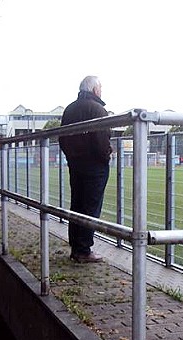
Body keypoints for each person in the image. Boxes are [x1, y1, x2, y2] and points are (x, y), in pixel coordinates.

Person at [59, 76, 113, 263]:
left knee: (77, 205)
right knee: (91, 207)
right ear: (95, 90)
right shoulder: (98, 109)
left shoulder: (70, 109)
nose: (102, 91)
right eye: (101, 87)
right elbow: (101, 140)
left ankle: (76, 247)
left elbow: (62, 138)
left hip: (75, 164)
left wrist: (72, 157)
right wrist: (106, 156)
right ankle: (83, 250)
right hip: (95, 166)